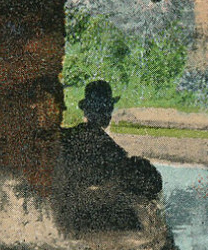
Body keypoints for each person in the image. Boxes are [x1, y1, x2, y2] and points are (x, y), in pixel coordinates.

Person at [55, 80, 163, 233]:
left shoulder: (71, 135)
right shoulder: (101, 141)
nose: (109, 113)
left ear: (86, 110)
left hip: (64, 207)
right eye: (107, 108)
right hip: (77, 213)